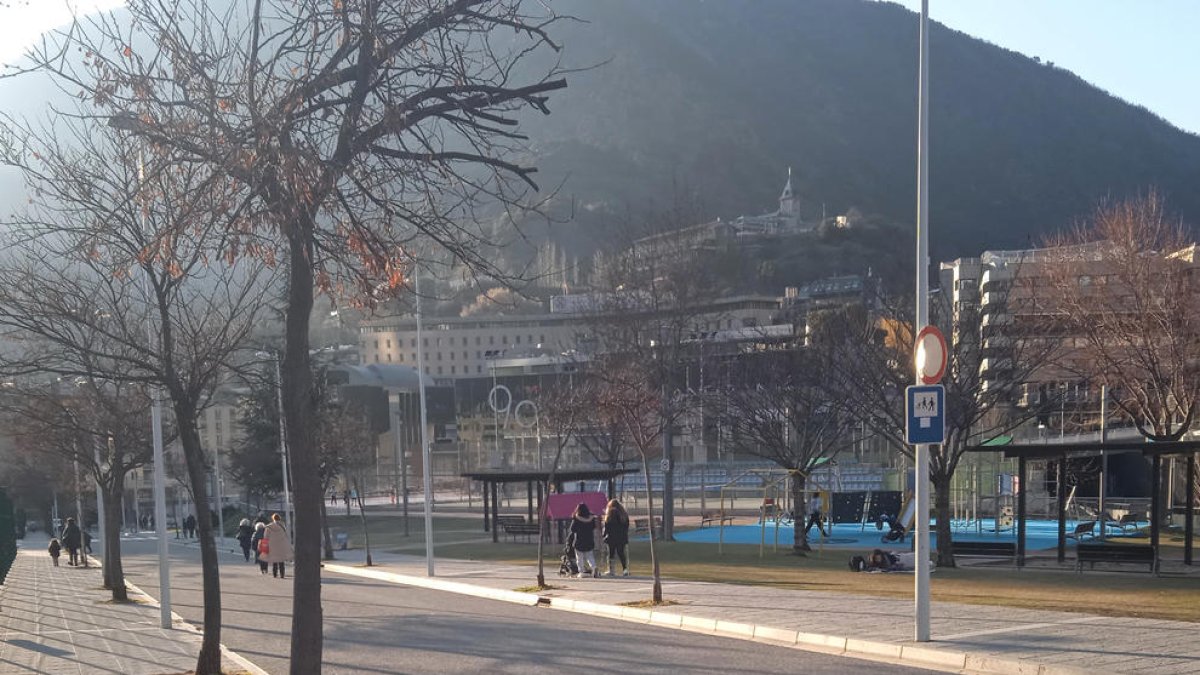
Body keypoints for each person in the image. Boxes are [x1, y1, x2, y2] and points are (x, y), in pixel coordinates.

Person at [569, 503, 599, 578]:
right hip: (589, 540)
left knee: (579, 558)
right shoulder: (591, 518)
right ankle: (594, 567)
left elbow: (572, 529)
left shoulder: (576, 518)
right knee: (590, 556)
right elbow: (593, 527)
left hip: (579, 540)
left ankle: (581, 571)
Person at [602, 498, 630, 577]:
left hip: (612, 537)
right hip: (622, 537)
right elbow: (626, 526)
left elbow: (607, 527)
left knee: (611, 553)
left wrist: (604, 535)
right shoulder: (624, 515)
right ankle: (625, 569)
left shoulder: (609, 515)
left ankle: (611, 570)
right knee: (621, 553)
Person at [263, 513, 294, 579]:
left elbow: (265, 536)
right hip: (281, 544)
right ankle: (282, 574)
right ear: (279, 518)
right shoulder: (283, 526)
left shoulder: (269, 526)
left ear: (273, 518)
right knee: (281, 560)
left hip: (273, 544)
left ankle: (275, 574)